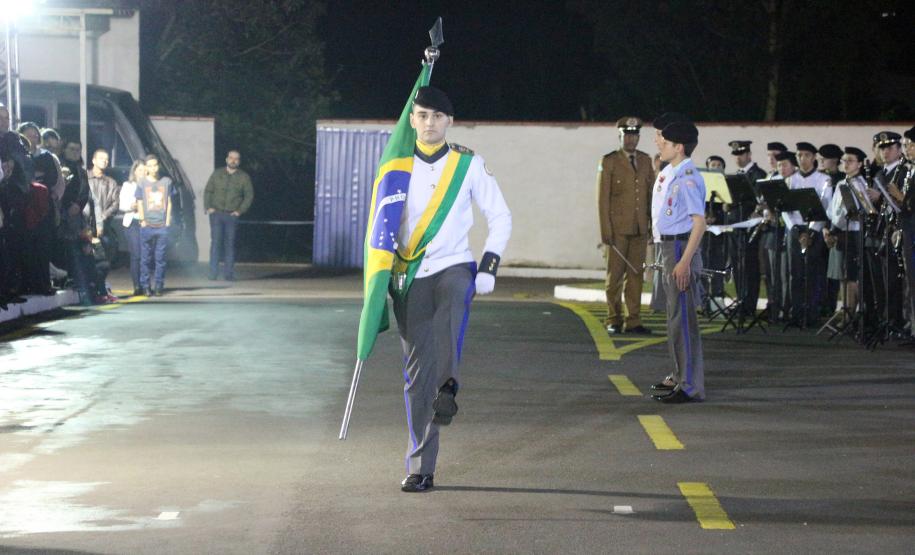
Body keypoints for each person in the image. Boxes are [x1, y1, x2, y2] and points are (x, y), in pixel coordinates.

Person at [393, 85, 511, 492]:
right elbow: (379, 226)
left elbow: (501, 217)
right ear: (412, 119)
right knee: (414, 377)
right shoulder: (396, 164)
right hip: (409, 276)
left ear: (450, 122)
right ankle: (420, 467)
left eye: (437, 117)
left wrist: (488, 267)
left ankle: (449, 384)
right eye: (423, 115)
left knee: (456, 301)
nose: (429, 123)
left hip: (454, 266)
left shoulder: (468, 164)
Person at [649, 121, 706, 404]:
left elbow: (699, 223)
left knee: (682, 321)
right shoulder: (676, 174)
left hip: (681, 247)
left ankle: (689, 385)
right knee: (674, 319)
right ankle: (679, 375)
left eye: (666, 142)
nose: (661, 144)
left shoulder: (688, 177)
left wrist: (684, 262)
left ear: (679, 147)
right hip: (672, 246)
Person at [597, 116, 655, 335]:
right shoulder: (609, 161)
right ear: (620, 136)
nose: (631, 140)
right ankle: (613, 318)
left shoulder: (645, 160)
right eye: (626, 135)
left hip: (639, 228)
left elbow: (650, 195)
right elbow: (602, 199)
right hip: (617, 229)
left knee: (636, 275)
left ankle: (633, 320)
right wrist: (606, 231)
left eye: (634, 135)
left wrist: (651, 226)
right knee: (614, 276)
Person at [823, 147, 869, 319]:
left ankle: (851, 315)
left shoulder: (859, 184)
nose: (846, 164)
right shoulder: (842, 183)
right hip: (839, 232)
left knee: (851, 277)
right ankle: (845, 313)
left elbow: (850, 212)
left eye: (850, 160)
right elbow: (832, 210)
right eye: (844, 161)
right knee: (841, 275)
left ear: (860, 164)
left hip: (852, 233)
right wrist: (827, 228)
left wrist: (834, 229)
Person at [726, 140, 768, 322]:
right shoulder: (738, 175)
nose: (738, 158)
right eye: (735, 155)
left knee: (749, 267)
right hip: (736, 227)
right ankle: (742, 300)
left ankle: (749, 304)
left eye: (741, 154)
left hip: (749, 228)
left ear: (749, 155)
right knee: (738, 266)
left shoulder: (757, 174)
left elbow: (759, 201)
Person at [204, 149, 254, 281]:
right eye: (231, 158)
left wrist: (239, 211)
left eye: (236, 158)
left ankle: (228, 274)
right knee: (215, 244)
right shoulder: (217, 174)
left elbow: (249, 196)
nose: (233, 160)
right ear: (226, 159)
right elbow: (208, 191)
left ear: (239, 161)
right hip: (216, 214)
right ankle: (213, 273)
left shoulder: (244, 177)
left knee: (230, 244)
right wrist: (208, 207)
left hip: (231, 216)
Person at [135, 154, 176, 296]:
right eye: (150, 165)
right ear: (146, 167)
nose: (153, 168)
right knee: (145, 258)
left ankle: (159, 285)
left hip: (162, 225)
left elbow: (169, 201)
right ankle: (145, 285)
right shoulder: (142, 183)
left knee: (161, 258)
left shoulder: (166, 182)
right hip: (147, 225)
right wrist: (142, 220)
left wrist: (167, 221)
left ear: (159, 165)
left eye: (155, 165)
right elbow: (139, 202)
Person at [87, 149, 120, 263]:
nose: (105, 161)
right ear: (93, 160)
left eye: (107, 159)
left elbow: (115, 204)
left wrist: (103, 216)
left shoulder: (111, 182)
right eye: (101, 158)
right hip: (84, 227)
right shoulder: (84, 177)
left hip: (104, 228)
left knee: (104, 262)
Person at [119, 160, 147, 296]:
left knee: (146, 255)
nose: (142, 173)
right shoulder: (128, 185)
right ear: (134, 171)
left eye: (145, 170)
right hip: (132, 222)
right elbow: (122, 205)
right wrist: (132, 206)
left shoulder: (150, 185)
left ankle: (145, 283)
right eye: (140, 170)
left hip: (146, 223)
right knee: (136, 254)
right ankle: (137, 285)